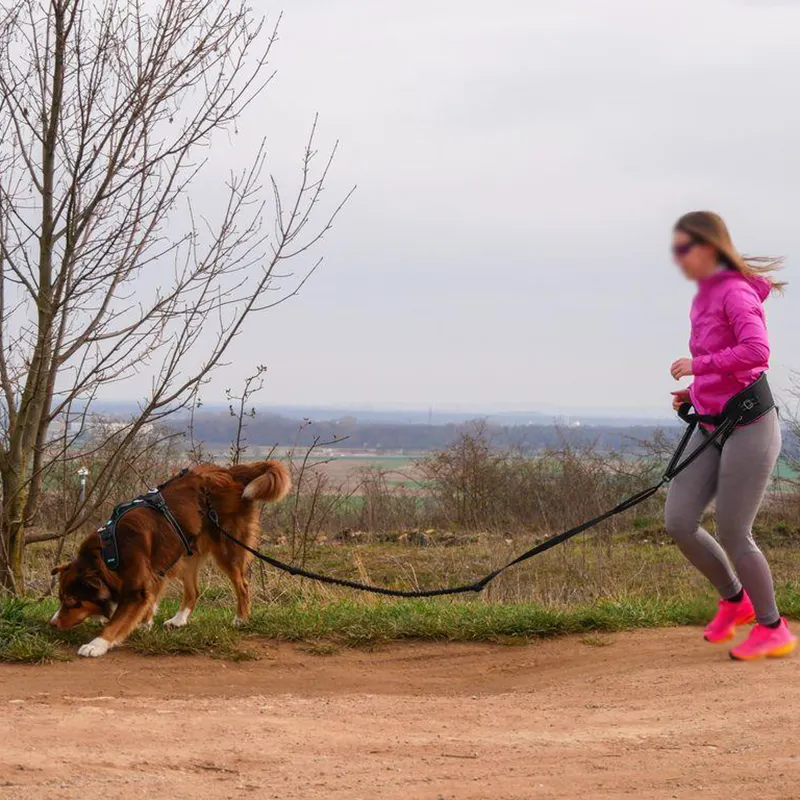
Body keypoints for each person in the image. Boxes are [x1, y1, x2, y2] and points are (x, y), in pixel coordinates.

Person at [666, 210, 795, 661]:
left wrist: (698, 367)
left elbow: (757, 352)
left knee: (735, 531)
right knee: (680, 521)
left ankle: (773, 627)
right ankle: (734, 599)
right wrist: (695, 390)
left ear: (710, 247)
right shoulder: (703, 297)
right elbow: (724, 362)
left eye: (685, 248)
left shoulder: (736, 292)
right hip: (711, 420)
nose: (678, 257)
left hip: (750, 424)